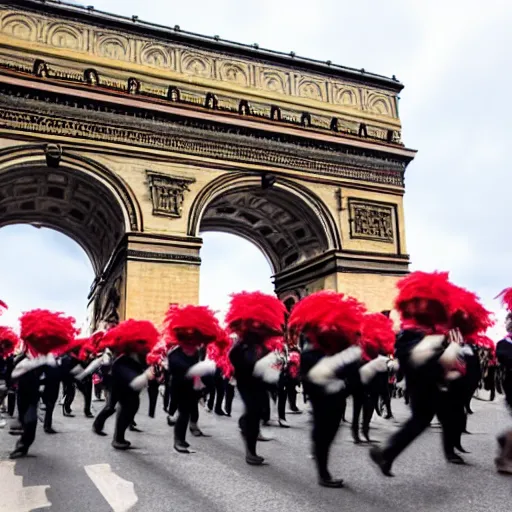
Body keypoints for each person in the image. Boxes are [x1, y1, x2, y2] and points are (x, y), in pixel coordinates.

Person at [288, 290, 366, 487]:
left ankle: (319, 450)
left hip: (337, 396)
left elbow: (352, 371)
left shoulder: (341, 344)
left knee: (329, 430)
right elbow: (309, 377)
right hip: (321, 396)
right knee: (325, 431)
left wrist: (347, 384)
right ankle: (323, 473)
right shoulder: (310, 350)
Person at [225, 291, 287, 466]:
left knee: (260, 412)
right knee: (253, 412)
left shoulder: (261, 343)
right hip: (246, 382)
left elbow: (270, 359)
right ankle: (250, 452)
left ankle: (245, 424)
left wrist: (273, 364)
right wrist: (250, 367)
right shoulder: (241, 344)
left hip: (261, 383)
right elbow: (234, 358)